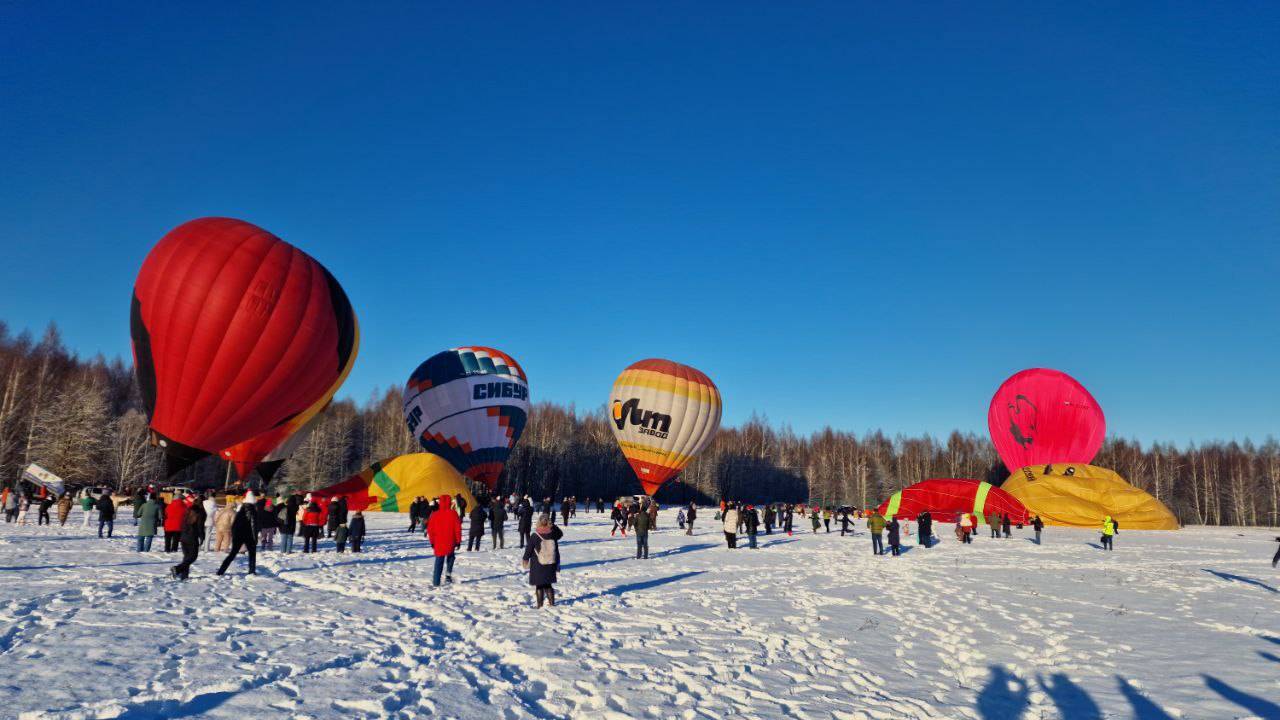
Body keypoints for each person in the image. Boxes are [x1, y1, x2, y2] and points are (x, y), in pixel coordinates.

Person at [216, 492, 260, 576]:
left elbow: (234, 525)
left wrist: (235, 535)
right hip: (248, 535)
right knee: (252, 553)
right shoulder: (252, 511)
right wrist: (255, 538)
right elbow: (253, 525)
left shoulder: (241, 510)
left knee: (232, 554)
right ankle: (252, 570)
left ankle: (221, 570)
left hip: (238, 535)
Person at [524, 515, 563, 607]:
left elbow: (529, 549)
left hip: (538, 564)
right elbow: (560, 534)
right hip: (550, 563)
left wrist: (525, 559)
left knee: (539, 585)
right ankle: (552, 603)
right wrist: (553, 526)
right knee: (548, 584)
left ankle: (539, 605)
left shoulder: (535, 535)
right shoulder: (553, 534)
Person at [427, 493, 462, 586]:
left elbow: (430, 530)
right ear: (450, 502)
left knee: (439, 562)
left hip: (438, 542)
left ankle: (436, 582)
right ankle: (448, 574)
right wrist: (458, 541)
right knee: (451, 557)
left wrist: (432, 542)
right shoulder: (453, 514)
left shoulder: (435, 514)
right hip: (451, 541)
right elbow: (457, 529)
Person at [171, 498, 206, 580]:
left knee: (187, 557)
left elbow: (182, 523)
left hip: (184, 536)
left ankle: (184, 575)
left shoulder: (188, 511)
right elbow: (200, 527)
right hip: (192, 537)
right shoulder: (200, 513)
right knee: (193, 557)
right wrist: (202, 537)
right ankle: (177, 569)